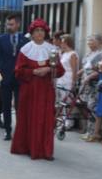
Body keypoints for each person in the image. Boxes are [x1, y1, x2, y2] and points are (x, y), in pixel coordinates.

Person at [11, 18, 64, 160]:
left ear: (45, 33)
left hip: (46, 90)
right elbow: (18, 72)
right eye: (36, 31)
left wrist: (48, 69)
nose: (39, 33)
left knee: (45, 120)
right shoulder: (25, 50)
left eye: (42, 31)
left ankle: (45, 151)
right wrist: (33, 72)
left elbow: (60, 70)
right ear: (32, 33)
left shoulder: (52, 50)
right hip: (29, 90)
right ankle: (27, 147)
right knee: (28, 118)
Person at [0, 14, 28, 140]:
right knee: (6, 105)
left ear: (18, 24)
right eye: (8, 24)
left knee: (19, 105)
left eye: (12, 24)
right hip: (5, 77)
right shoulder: (1, 39)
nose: (9, 27)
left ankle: (20, 130)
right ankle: (8, 130)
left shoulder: (25, 40)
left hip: (20, 78)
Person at [79, 33, 102, 140]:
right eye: (88, 40)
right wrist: (80, 72)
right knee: (87, 107)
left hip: (94, 83)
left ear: (99, 42)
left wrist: (89, 77)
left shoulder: (101, 54)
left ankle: (94, 131)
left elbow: (99, 70)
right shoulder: (89, 54)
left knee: (92, 106)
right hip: (86, 83)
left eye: (92, 40)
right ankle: (90, 130)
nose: (89, 42)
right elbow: (86, 67)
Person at [55, 34, 79, 128]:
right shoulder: (64, 53)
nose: (61, 44)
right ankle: (61, 120)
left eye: (63, 42)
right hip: (61, 78)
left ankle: (69, 122)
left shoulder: (73, 54)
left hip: (68, 78)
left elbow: (74, 69)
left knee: (68, 101)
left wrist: (73, 82)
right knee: (61, 101)